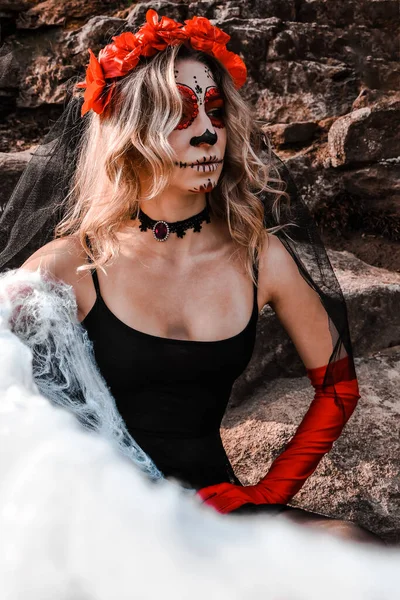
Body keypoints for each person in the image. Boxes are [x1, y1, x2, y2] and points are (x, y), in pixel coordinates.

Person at [2, 9, 384, 545]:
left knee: (352, 546)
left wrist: (270, 491)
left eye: (215, 110)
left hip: (215, 507)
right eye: (180, 115)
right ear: (131, 133)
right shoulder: (69, 265)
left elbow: (340, 387)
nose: (207, 133)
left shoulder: (261, 257)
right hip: (102, 522)